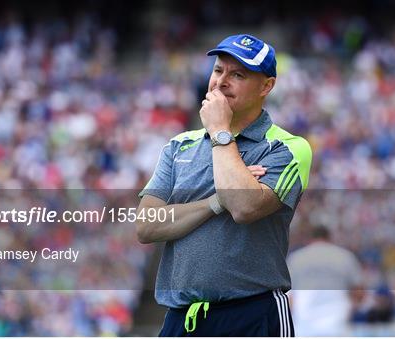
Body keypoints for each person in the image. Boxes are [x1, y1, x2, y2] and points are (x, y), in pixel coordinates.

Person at [136, 34, 312, 336]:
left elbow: (243, 207)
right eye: (218, 70)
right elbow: (146, 225)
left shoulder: (286, 147)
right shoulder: (180, 145)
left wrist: (220, 131)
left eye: (238, 74)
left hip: (252, 312)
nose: (221, 81)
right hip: (181, 316)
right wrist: (215, 202)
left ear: (266, 86)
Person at [287, 226, 364, 336]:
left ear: (310, 239)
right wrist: (350, 309)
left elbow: (289, 296)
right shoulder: (345, 257)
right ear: (329, 238)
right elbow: (359, 293)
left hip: (303, 326)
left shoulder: (296, 258)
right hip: (337, 325)